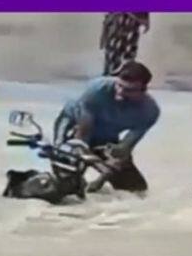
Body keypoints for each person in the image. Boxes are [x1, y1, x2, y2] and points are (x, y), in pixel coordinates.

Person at [53, 61, 160, 193]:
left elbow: (123, 149)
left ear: (143, 90)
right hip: (74, 127)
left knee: (135, 189)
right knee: (68, 183)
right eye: (119, 86)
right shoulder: (97, 90)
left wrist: (101, 179)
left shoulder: (149, 111)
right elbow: (82, 138)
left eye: (128, 90)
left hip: (106, 137)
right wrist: (95, 165)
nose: (120, 93)